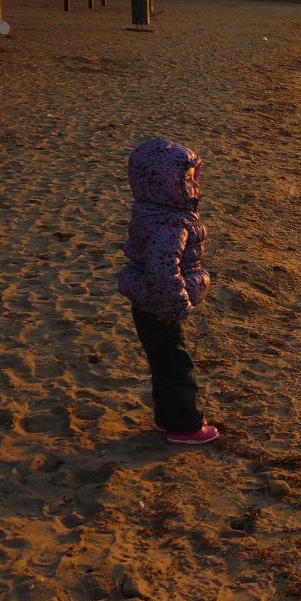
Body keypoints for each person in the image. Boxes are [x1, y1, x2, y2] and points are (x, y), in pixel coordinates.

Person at [118, 138, 218, 445]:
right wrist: (175, 304)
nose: (193, 185)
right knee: (176, 364)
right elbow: (163, 269)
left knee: (163, 361)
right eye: (186, 180)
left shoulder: (152, 209)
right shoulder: (168, 223)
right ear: (167, 184)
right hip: (160, 304)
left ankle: (166, 417)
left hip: (150, 301)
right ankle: (185, 425)